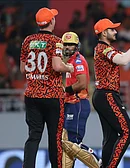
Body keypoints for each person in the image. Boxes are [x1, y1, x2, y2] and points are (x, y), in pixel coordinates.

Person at [20, 7, 74, 168]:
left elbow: (23, 69)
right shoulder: (56, 41)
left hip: (32, 95)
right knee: (55, 137)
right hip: (52, 96)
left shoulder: (27, 41)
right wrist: (69, 68)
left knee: (33, 136)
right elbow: (57, 66)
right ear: (51, 21)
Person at [92, 18, 130, 168]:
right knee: (128, 133)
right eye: (112, 29)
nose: (115, 31)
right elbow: (123, 59)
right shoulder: (104, 48)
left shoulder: (103, 48)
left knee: (111, 137)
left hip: (102, 95)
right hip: (107, 95)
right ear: (104, 32)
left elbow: (127, 56)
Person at [60, 32, 100, 168]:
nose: (68, 47)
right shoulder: (69, 61)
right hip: (71, 104)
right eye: (66, 44)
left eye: (71, 45)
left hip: (77, 104)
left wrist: (65, 90)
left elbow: (82, 83)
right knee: (67, 143)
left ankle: (98, 162)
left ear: (77, 46)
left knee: (72, 142)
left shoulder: (78, 61)